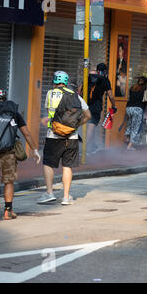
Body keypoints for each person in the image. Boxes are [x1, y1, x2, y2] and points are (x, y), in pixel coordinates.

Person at [0, 89, 40, 222]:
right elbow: (26, 133)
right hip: (10, 153)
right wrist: (34, 150)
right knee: (8, 181)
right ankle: (8, 212)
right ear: (4, 98)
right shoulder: (13, 111)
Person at [37, 71, 92, 205]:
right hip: (72, 136)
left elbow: (49, 113)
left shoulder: (50, 94)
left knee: (48, 163)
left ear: (54, 81)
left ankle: (49, 193)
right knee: (67, 166)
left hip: (53, 135)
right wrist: (76, 125)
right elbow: (88, 116)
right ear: (66, 82)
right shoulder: (76, 96)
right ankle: (66, 197)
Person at [87, 63, 117, 153]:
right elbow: (111, 96)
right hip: (96, 106)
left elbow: (80, 90)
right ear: (105, 71)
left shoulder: (89, 77)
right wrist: (114, 106)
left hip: (85, 105)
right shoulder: (105, 80)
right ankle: (83, 150)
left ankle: (90, 147)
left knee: (87, 127)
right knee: (91, 127)